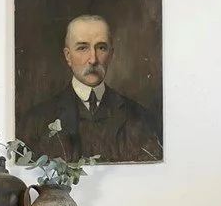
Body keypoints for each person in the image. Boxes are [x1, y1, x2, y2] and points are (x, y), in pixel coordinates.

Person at [16, 15, 162, 164]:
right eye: (82, 48)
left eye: (101, 48)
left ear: (111, 54)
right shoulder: (34, 122)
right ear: (68, 56)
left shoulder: (142, 119)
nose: (93, 59)